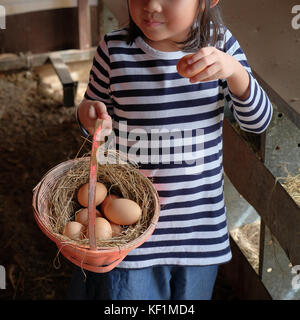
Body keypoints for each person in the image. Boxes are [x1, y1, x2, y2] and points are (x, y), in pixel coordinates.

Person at [68, 0, 273, 300]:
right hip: (131, 234)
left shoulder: (219, 45)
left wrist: (235, 72)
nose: (151, 5)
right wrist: (89, 114)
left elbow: (259, 122)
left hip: (198, 231)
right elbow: (91, 108)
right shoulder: (114, 50)